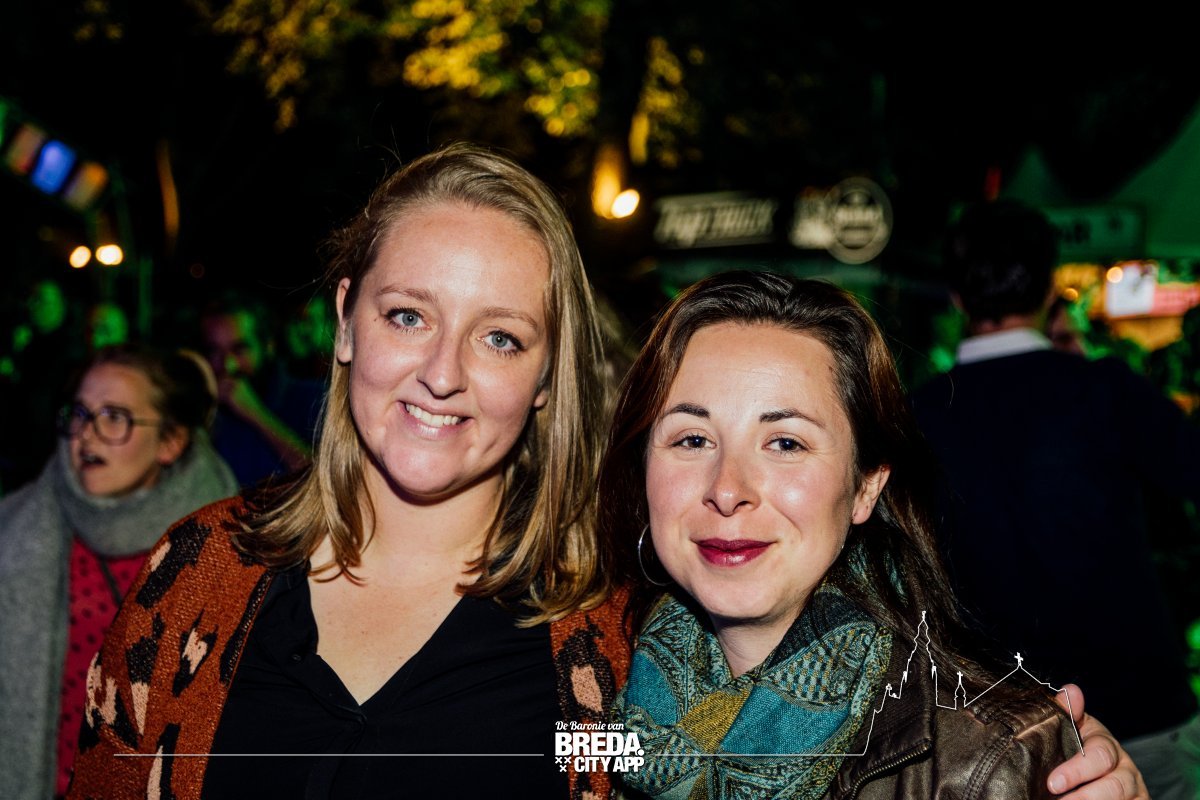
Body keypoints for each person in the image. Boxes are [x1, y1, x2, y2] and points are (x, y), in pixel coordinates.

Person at [68, 144, 631, 800]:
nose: (442, 374)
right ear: (345, 322)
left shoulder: (613, 635)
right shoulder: (197, 572)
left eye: (499, 337)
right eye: (408, 317)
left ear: (546, 375)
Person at [603, 271, 1149, 799]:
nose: (727, 490)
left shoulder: (988, 764)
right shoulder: (589, 684)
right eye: (692, 439)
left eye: (786, 443)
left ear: (866, 486)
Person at [912, 200, 1200, 800]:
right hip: (1138, 705)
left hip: (991, 731)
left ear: (958, 300)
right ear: (1050, 290)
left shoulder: (917, 417)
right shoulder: (1106, 389)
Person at [0, 344, 237, 800]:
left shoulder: (222, 549)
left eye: (115, 417)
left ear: (170, 442)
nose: (87, 435)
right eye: (81, 413)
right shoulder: (15, 528)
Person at [199, 291, 325, 487]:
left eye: (240, 349)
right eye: (214, 352)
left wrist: (255, 413)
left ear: (267, 346)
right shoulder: (204, 411)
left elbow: (325, 480)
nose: (228, 365)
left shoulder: (312, 397)